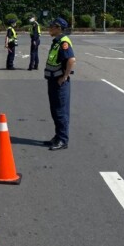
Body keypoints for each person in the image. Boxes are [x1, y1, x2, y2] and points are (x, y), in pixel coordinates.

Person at [43, 17, 75, 150]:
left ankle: (62, 140)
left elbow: (71, 60)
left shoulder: (64, 42)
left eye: (52, 26)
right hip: (53, 80)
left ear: (59, 28)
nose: (49, 28)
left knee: (61, 111)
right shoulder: (57, 41)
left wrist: (65, 76)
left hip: (60, 82)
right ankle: (57, 136)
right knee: (55, 110)